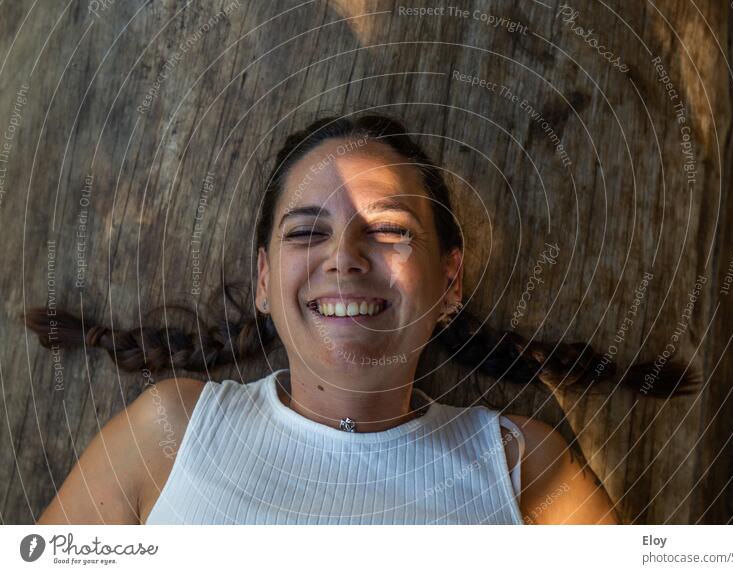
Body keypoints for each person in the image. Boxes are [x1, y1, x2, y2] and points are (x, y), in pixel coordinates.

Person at [26, 114, 697, 525]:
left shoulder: (521, 468)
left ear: (449, 281)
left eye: (388, 231)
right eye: (306, 233)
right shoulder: (171, 434)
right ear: (265, 280)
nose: (344, 258)